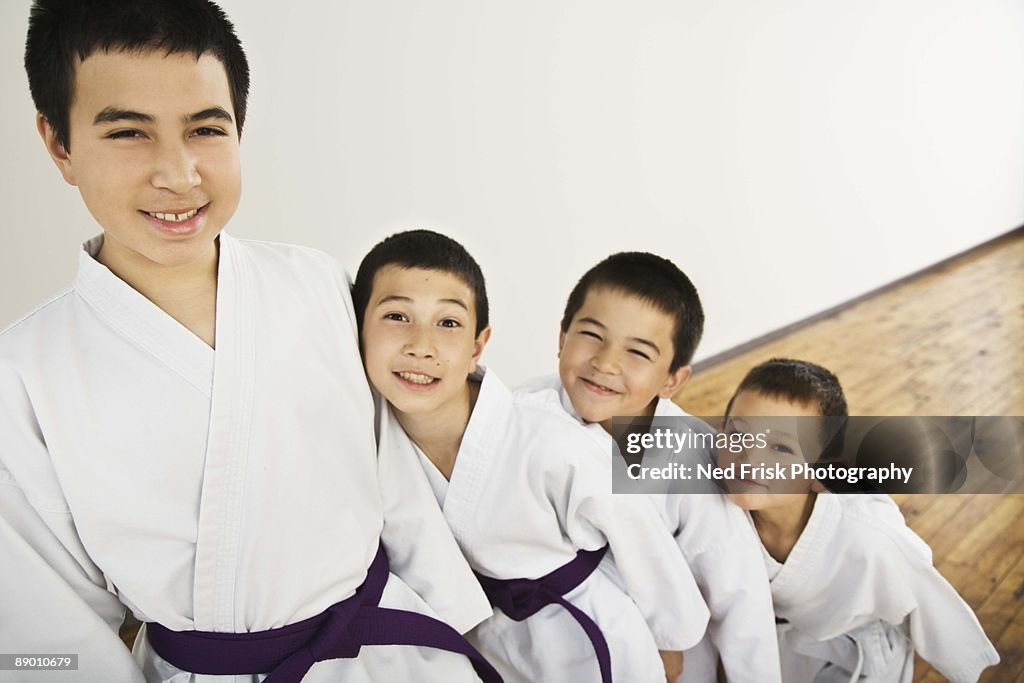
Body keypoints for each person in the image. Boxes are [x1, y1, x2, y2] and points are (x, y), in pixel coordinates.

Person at [2, 2, 496, 681]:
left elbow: (392, 479)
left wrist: (459, 616)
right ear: (59, 143)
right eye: (128, 133)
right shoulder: (24, 373)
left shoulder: (316, 282)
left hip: (395, 649)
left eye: (206, 128)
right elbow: (46, 621)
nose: (178, 174)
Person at [353, 230, 710, 683]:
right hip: (495, 643)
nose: (421, 346)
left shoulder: (549, 439)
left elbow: (639, 536)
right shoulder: (373, 441)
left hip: (594, 636)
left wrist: (669, 639)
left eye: (448, 323)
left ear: (478, 345)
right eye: (397, 315)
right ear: (358, 327)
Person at [518, 252, 780, 683]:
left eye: (638, 352)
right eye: (591, 334)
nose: (606, 363)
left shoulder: (691, 457)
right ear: (562, 337)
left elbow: (739, 593)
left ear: (672, 380)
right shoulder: (523, 413)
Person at [719, 358, 1000, 682]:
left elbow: (927, 598)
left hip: (861, 652)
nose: (750, 458)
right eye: (738, 434)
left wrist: (968, 665)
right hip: (782, 642)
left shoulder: (870, 534)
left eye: (781, 447)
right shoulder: (717, 505)